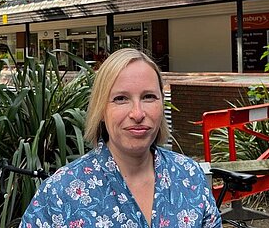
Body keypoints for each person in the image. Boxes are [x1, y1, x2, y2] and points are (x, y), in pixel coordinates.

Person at [20, 48, 222, 227]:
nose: (138, 113)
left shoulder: (189, 176)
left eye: (148, 97)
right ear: (101, 109)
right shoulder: (60, 193)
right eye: (121, 99)